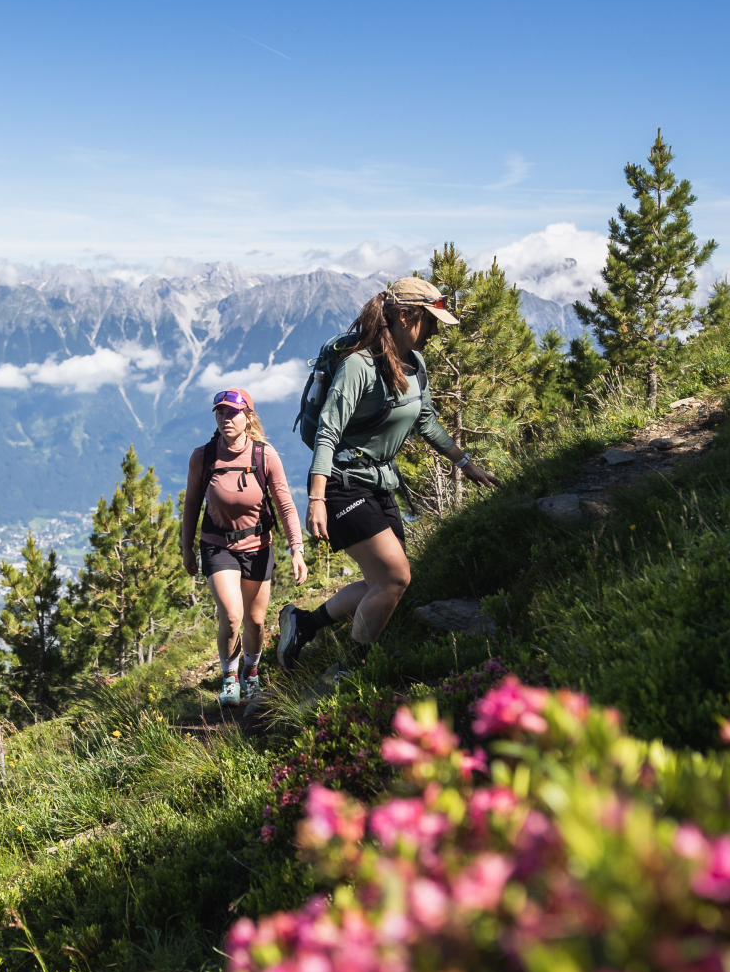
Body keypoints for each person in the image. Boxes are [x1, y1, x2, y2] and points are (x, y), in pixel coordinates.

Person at [277, 276, 499, 668]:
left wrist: (467, 465)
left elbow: (426, 420)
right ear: (404, 316)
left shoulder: (415, 363)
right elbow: (327, 432)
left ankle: (303, 624)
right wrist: (315, 499)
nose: (434, 331)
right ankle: (350, 670)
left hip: (380, 482)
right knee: (394, 578)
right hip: (342, 484)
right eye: (430, 321)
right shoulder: (358, 366)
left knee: (382, 582)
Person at [181, 387, 307, 705]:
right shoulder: (204, 456)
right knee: (233, 616)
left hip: (258, 545)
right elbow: (192, 505)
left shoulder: (265, 456)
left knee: (255, 621)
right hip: (217, 546)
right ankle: (230, 678)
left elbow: (286, 506)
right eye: (220, 413)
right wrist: (186, 549)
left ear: (248, 417)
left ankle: (251, 674)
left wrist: (297, 549)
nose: (225, 418)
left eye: (233, 412)